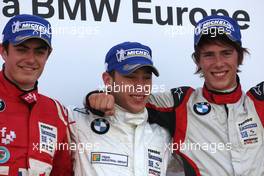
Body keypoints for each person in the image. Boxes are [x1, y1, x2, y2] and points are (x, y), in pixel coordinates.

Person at [87, 15, 264, 176]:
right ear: (197, 60)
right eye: (209, 55)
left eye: (226, 53)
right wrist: (96, 97)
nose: (218, 63)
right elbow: (129, 97)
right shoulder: (181, 102)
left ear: (239, 56)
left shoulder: (258, 101)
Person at [68, 42, 172, 176]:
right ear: (107, 80)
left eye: (146, 78)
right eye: (130, 77)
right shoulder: (78, 122)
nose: (140, 86)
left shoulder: (163, 135)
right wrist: (90, 99)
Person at [0, 14, 72, 175]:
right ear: (3, 51)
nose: (31, 60)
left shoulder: (56, 111)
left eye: (39, 52)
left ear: (48, 55)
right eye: (21, 50)